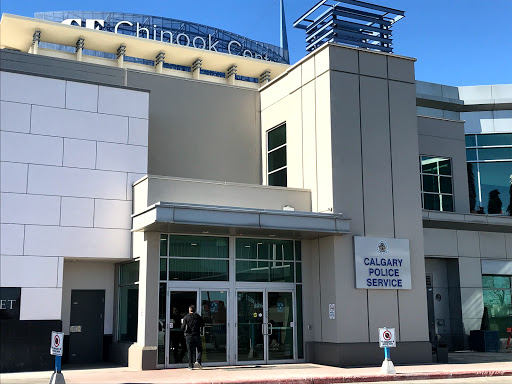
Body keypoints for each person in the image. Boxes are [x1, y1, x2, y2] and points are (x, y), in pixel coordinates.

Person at [181, 304, 204, 369]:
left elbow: (182, 327)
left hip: (189, 336)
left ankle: (190, 365)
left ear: (189, 310)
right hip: (197, 335)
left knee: (190, 351)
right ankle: (198, 361)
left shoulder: (186, 317)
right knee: (199, 349)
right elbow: (203, 324)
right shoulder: (198, 317)